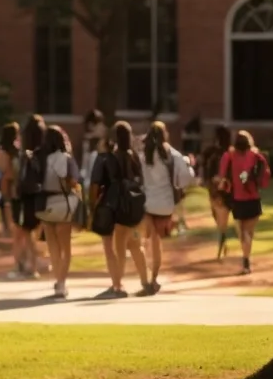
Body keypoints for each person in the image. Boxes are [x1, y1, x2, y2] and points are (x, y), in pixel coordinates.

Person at [90, 120, 150, 299]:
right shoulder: (134, 156)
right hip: (133, 206)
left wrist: (92, 206)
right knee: (135, 245)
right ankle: (145, 282)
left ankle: (117, 285)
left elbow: (95, 185)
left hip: (112, 206)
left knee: (113, 248)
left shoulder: (106, 158)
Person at [139, 120, 192, 295]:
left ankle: (145, 277)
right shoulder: (173, 155)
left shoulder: (143, 154)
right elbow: (184, 179)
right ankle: (154, 278)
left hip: (146, 202)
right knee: (156, 242)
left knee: (146, 240)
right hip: (165, 204)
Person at [38, 124, 82, 300]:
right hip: (63, 205)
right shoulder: (66, 159)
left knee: (53, 248)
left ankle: (58, 281)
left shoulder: (41, 159)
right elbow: (73, 182)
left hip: (45, 205)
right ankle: (61, 284)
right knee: (66, 248)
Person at [217, 130, 269, 275]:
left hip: (237, 199)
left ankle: (245, 260)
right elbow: (265, 176)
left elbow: (222, 176)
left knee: (242, 232)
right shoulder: (256, 155)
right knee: (249, 233)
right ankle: (246, 260)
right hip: (253, 198)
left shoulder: (229, 156)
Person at [10, 114, 49, 279]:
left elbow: (20, 178)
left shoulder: (25, 155)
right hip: (44, 195)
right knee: (41, 232)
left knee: (27, 232)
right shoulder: (46, 153)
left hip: (28, 197)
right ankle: (40, 262)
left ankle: (31, 266)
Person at [0, 121, 22, 272]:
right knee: (16, 226)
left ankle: (18, 258)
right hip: (12, 189)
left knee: (12, 224)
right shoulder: (15, 151)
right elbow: (8, 173)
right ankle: (19, 258)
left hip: (5, 188)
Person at [201, 124, 234, 260]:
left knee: (220, 219)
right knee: (221, 219)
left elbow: (207, 172)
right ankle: (223, 244)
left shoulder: (213, 153)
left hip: (217, 190)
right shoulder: (230, 153)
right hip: (225, 189)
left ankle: (222, 247)